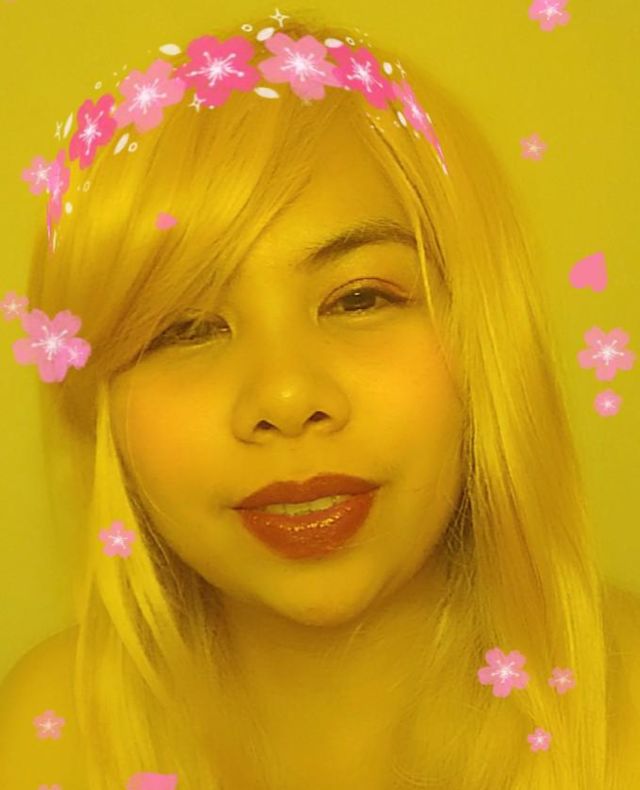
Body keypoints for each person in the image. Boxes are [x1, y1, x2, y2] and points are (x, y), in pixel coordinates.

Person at [1, 10, 639, 790]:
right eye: (184, 328)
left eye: (360, 298)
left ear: (484, 334)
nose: (286, 396)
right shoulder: (43, 735)